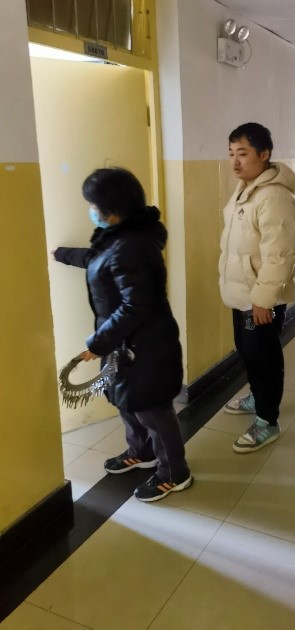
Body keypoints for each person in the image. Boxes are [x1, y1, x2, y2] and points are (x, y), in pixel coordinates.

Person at [53, 167, 192, 502]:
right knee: (128, 403)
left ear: (111, 211)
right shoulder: (121, 237)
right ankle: (142, 452)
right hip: (125, 344)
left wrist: (98, 343)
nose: (91, 211)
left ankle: (174, 472)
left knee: (152, 411)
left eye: (93, 205)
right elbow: (99, 260)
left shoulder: (130, 246)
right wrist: (62, 255)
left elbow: (136, 305)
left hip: (145, 347)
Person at [219, 123, 295, 453]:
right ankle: (257, 396)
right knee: (248, 350)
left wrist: (264, 300)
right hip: (244, 294)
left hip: (260, 298)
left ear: (264, 155)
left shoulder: (273, 197)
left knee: (264, 358)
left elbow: (280, 255)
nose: (235, 161)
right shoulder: (246, 189)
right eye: (231, 154)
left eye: (243, 153)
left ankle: (268, 421)